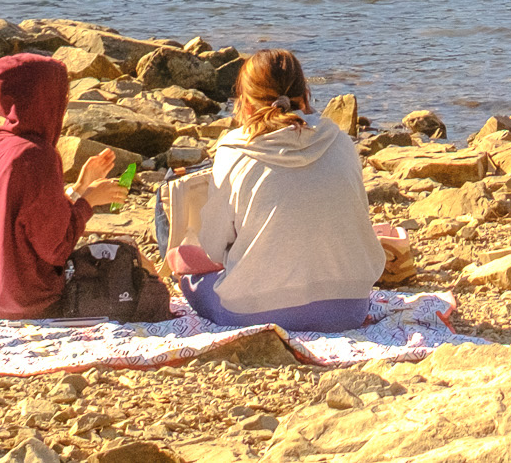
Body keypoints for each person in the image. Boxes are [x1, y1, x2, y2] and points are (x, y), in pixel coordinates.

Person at [160, 50, 383, 330]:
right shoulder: (340, 142)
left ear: (246, 104)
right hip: (346, 309)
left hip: (253, 312)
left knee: (185, 269)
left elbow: (214, 249)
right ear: (305, 95)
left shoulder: (233, 150)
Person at [0, 50, 130, 318]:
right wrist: (89, 202)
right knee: (128, 256)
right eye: (60, 95)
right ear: (41, 99)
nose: (65, 103)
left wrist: (81, 186)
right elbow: (56, 248)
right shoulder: (38, 155)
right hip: (24, 298)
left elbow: (25, 219)